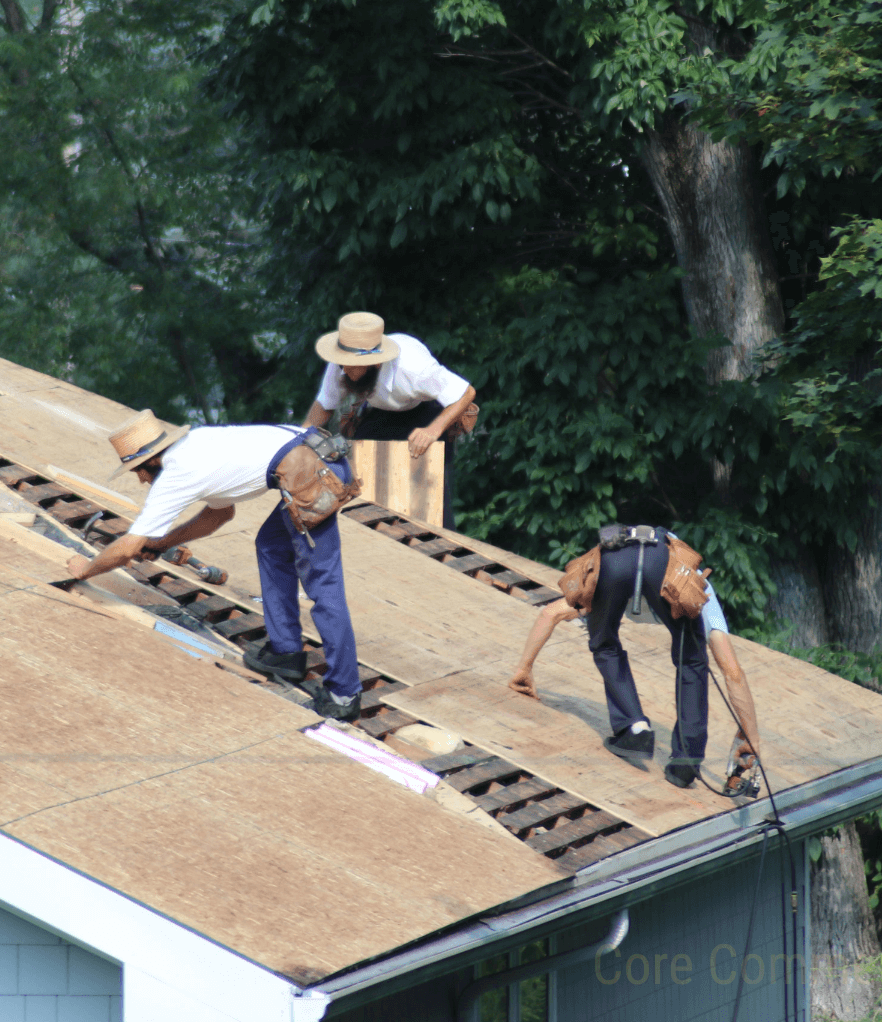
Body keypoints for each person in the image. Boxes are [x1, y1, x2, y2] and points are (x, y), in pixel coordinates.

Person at [64, 408, 364, 720]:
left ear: (153, 460)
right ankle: (285, 653)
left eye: (138, 470)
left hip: (315, 476)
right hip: (314, 461)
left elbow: (128, 546)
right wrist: (162, 543)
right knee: (272, 546)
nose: (140, 479)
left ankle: (344, 693)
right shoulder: (197, 446)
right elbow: (218, 516)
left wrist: (86, 569)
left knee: (323, 585)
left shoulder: (176, 472)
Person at [507, 528, 763, 790]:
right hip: (662, 568)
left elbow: (551, 614)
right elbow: (732, 673)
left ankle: (634, 728)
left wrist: (523, 669)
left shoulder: (608, 570)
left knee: (604, 644)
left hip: (613, 561)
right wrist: (751, 737)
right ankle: (686, 762)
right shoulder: (701, 591)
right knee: (693, 662)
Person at [303, 312, 476, 527]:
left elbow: (465, 393)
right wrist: (299, 437)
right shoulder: (341, 363)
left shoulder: (414, 368)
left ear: (374, 363)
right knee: (360, 465)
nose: (343, 370)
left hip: (426, 411)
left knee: (431, 487)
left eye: (350, 365)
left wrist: (433, 430)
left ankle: (442, 545)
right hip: (381, 412)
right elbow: (325, 405)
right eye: (341, 363)